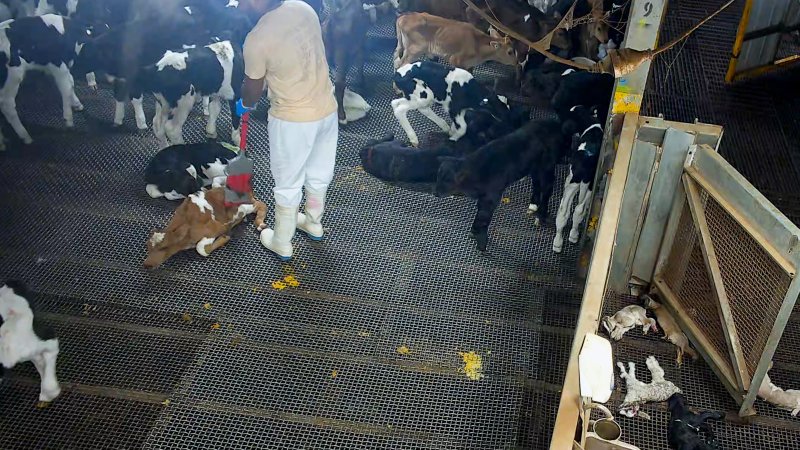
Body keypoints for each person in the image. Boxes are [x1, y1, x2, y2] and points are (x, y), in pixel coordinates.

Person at [236, 0, 338, 261]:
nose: (239, 4)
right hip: (326, 108)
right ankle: (313, 222)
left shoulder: (257, 40)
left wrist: (244, 103)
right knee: (318, 173)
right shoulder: (303, 7)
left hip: (293, 120)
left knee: (287, 183)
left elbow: (253, 92)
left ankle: (282, 240)